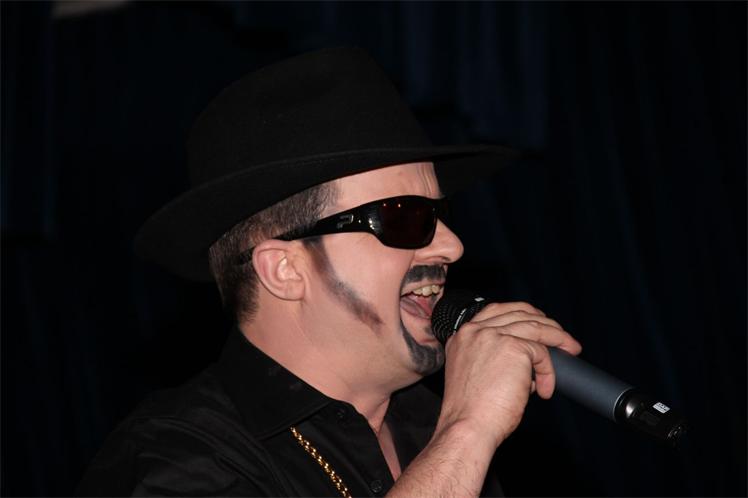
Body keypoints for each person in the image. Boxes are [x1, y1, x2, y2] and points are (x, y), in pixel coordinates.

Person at [77, 47, 581, 497]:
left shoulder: (430, 427)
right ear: (284, 270)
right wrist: (468, 430)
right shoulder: (177, 458)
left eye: (441, 215)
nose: (452, 245)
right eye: (405, 218)